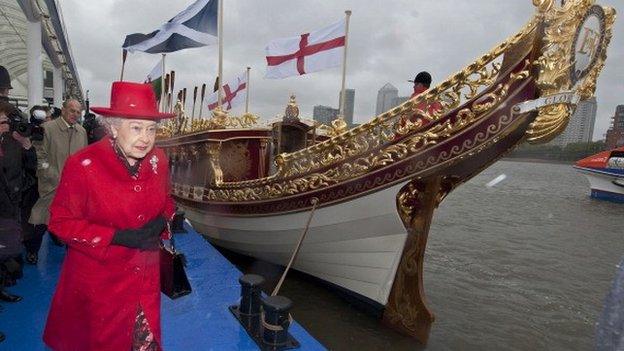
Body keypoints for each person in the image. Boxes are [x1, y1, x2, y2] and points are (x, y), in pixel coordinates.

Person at [43, 81, 176, 351]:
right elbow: (60, 222)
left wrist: (162, 220)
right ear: (113, 127)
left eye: (151, 129)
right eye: (136, 128)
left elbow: (168, 201)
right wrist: (117, 236)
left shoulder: (158, 160)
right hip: (101, 284)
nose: (146, 138)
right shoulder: (83, 166)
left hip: (145, 278)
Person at [27, 99, 88, 263]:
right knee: (40, 218)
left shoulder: (81, 132)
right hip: (50, 184)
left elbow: (83, 158)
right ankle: (32, 251)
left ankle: (72, 251)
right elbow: (40, 155)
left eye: (78, 111)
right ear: (63, 110)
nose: (75, 114)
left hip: (73, 187)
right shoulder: (47, 128)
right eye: (71, 110)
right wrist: (48, 172)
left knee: (72, 220)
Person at [1, 101, 35, 302]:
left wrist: (28, 147)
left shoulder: (15, 142)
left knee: (7, 249)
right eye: (4, 121)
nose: (7, 124)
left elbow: (31, 167)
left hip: (12, 203)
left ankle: (3, 286)